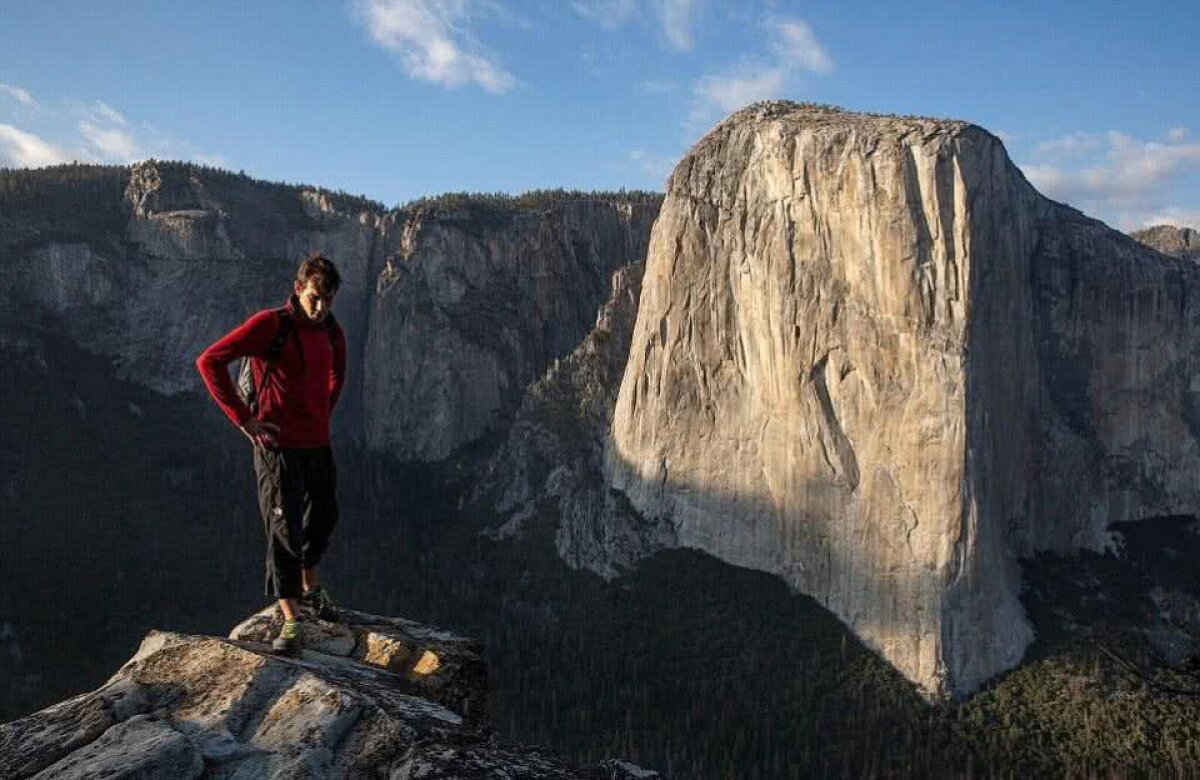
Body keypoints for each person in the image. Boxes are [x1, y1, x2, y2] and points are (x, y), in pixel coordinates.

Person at [195, 253, 347, 654]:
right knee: (285, 530)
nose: (321, 307)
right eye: (315, 297)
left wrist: (321, 414)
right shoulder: (269, 326)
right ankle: (291, 618)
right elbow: (209, 361)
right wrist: (245, 420)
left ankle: (310, 586)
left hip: (317, 444)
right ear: (298, 289)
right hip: (275, 448)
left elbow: (338, 373)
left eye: (328, 300)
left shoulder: (332, 332)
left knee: (325, 514)